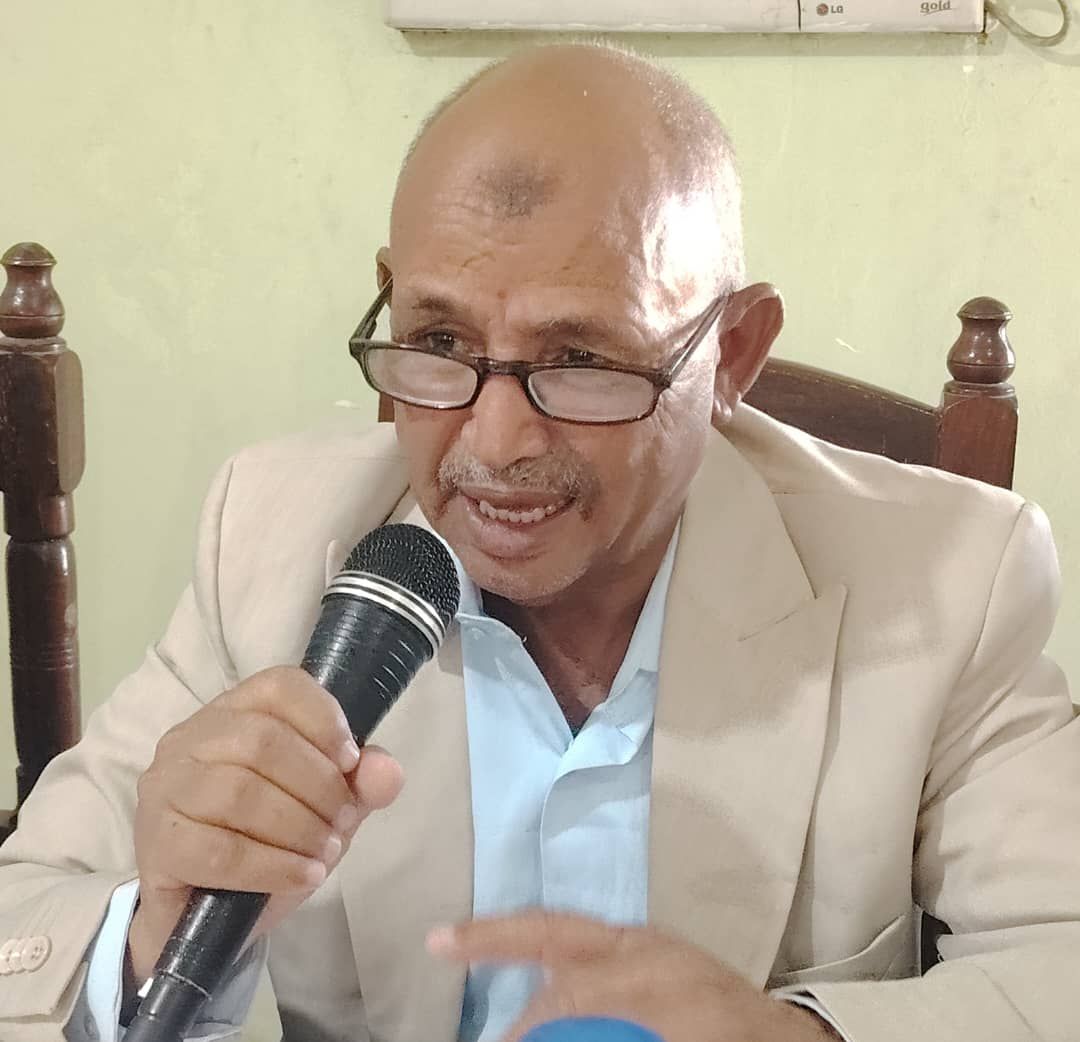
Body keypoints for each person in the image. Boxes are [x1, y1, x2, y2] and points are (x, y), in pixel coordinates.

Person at [1, 42, 1078, 1042]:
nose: (494, 442)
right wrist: (149, 933)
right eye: (438, 339)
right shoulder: (270, 539)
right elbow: (26, 922)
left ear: (732, 354)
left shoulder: (947, 582)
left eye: (581, 359)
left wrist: (803, 1038)